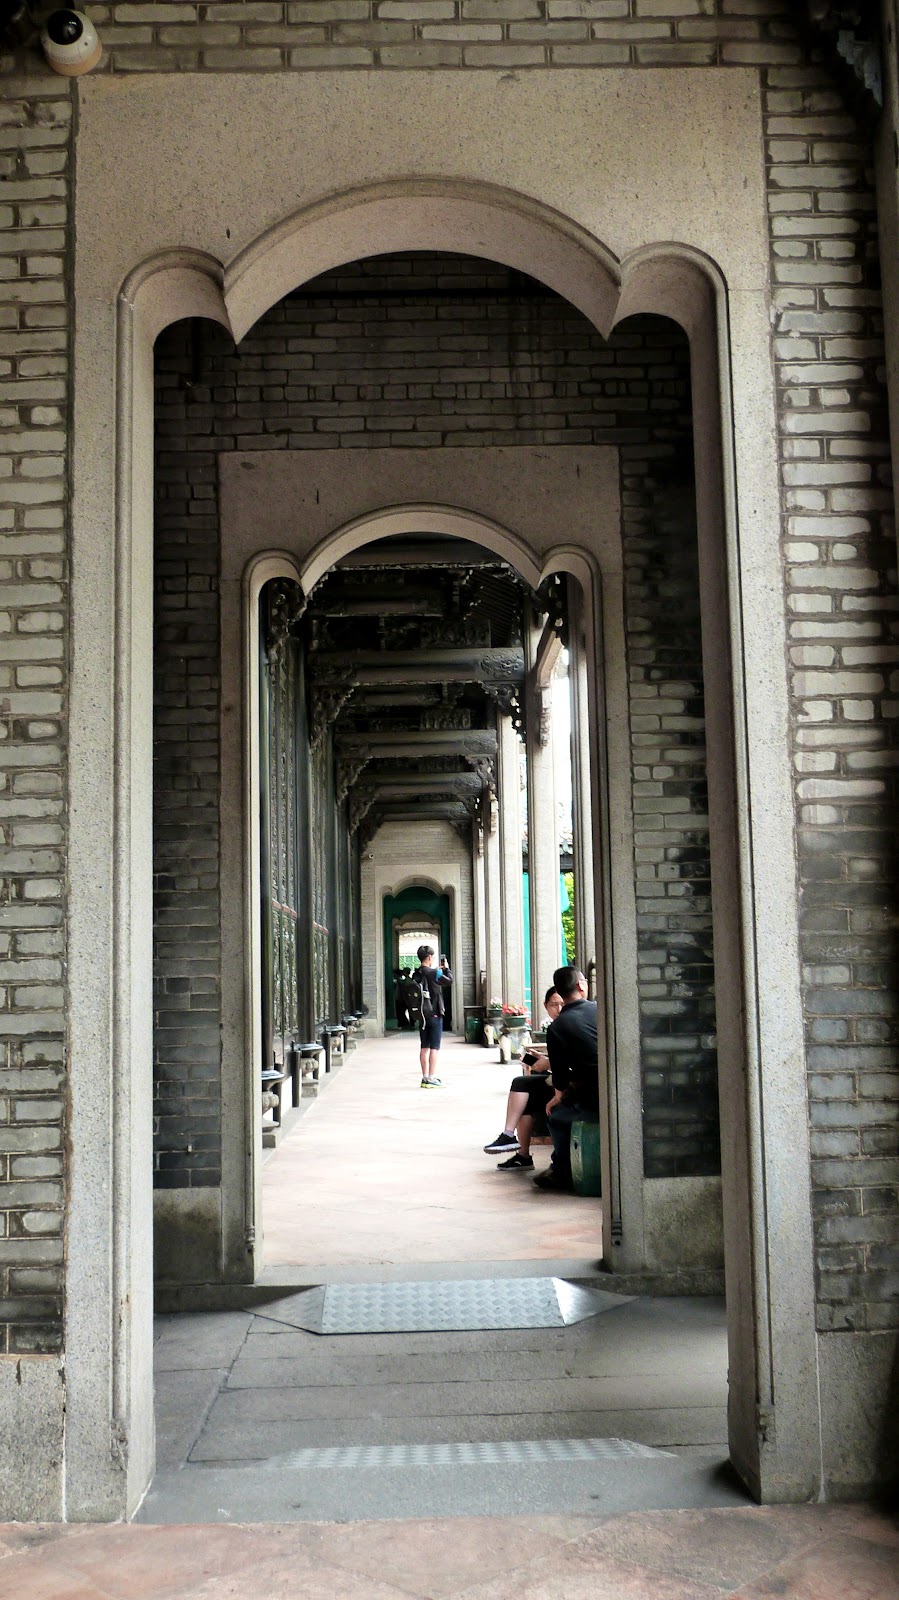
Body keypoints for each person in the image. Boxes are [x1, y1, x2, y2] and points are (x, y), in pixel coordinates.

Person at [533, 965, 599, 1192]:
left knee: (557, 1116)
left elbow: (559, 1077)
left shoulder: (558, 1026)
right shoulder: (601, 1010)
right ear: (581, 985)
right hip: (616, 1086)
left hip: (591, 1096)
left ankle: (561, 1171)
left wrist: (557, 1098)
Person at [482, 987, 564, 1171]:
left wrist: (548, 1064)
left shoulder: (565, 1025)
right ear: (545, 1006)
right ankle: (521, 1153)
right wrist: (545, 1060)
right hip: (561, 1080)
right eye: (554, 1005)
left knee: (522, 1086)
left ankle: (510, 1137)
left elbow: (573, 1061)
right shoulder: (560, 1026)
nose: (558, 1009)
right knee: (524, 1093)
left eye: (562, 1004)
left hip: (573, 1085)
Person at [411, 944, 452, 1087]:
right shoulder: (434, 973)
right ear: (429, 957)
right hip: (434, 1013)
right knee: (434, 1047)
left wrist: (438, 971)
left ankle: (424, 1077)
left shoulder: (417, 973)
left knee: (424, 1047)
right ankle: (432, 1077)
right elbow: (449, 981)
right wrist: (446, 969)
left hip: (422, 1015)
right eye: (433, 957)